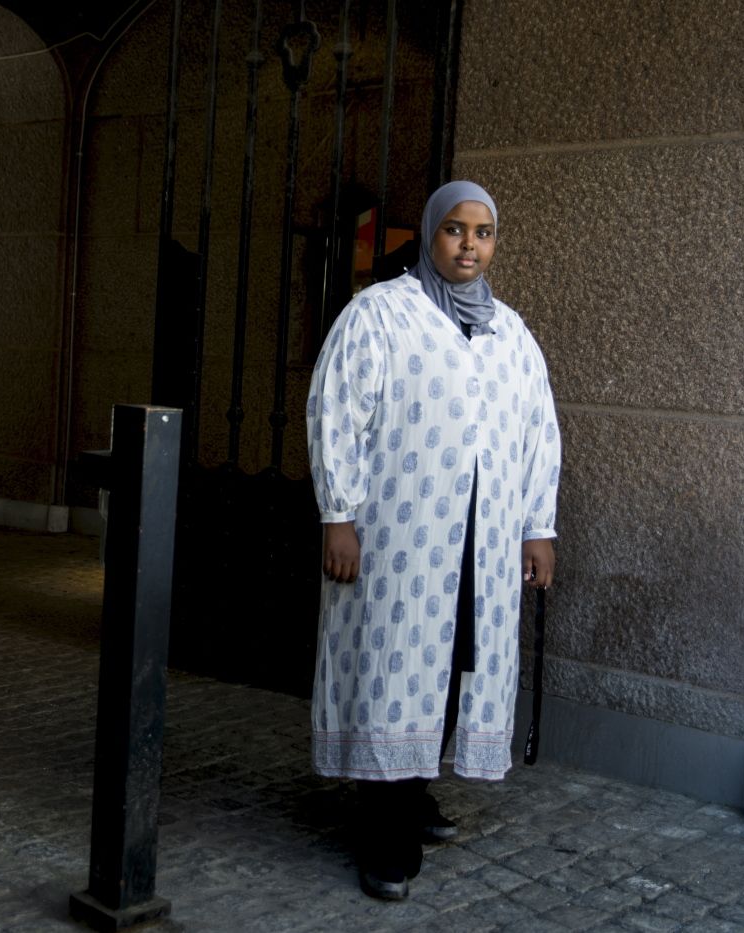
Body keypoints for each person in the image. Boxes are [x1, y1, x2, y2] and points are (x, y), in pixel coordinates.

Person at [305, 180, 560, 900]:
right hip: (400, 542)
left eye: (483, 232)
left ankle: (412, 793)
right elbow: (335, 412)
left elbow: (539, 434)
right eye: (454, 229)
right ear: (428, 234)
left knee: (454, 667)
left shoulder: (511, 334)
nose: (469, 245)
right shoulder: (380, 314)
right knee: (393, 671)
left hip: (482, 545)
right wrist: (338, 515)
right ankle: (383, 831)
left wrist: (538, 528)